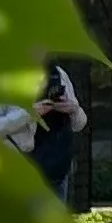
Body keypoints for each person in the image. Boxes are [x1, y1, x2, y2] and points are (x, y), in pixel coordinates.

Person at [27, 59, 88, 200]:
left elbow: (79, 123)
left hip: (57, 166)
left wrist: (73, 109)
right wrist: (29, 113)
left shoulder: (58, 73)